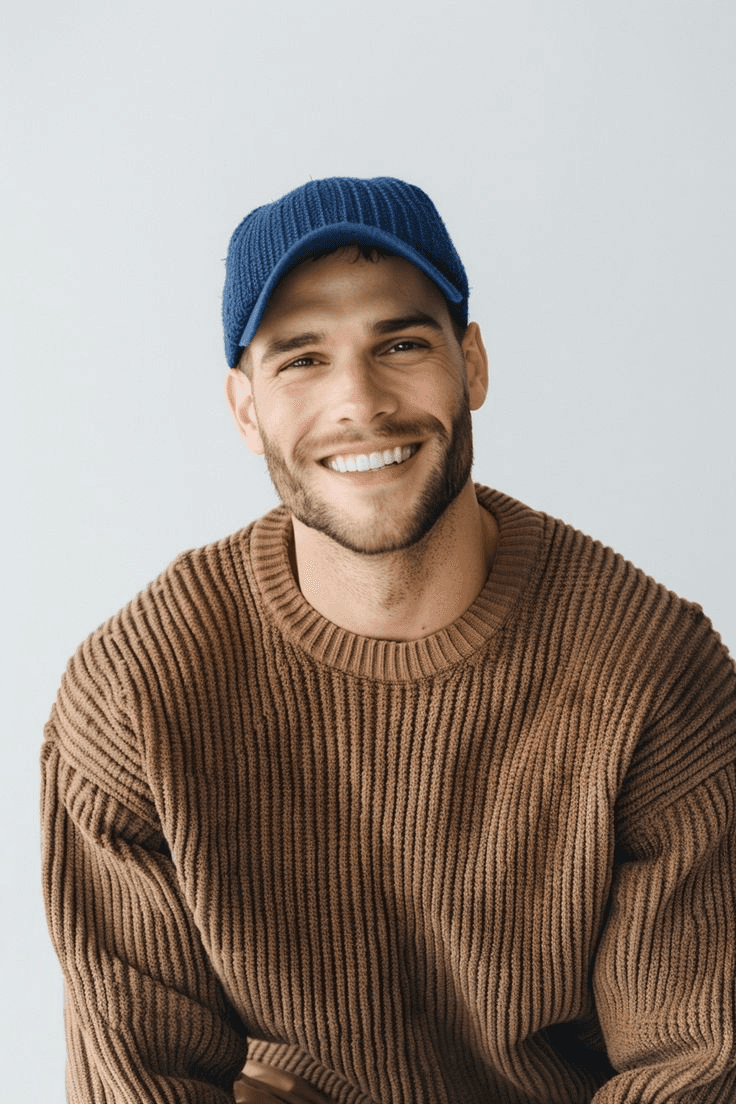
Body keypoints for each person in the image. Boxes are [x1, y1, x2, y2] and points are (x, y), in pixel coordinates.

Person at [41, 176, 736, 1104]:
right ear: (245, 409)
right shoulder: (134, 698)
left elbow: (693, 1070)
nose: (359, 402)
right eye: (302, 360)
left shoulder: (655, 677)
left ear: (472, 365)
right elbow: (141, 1079)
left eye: (400, 343)